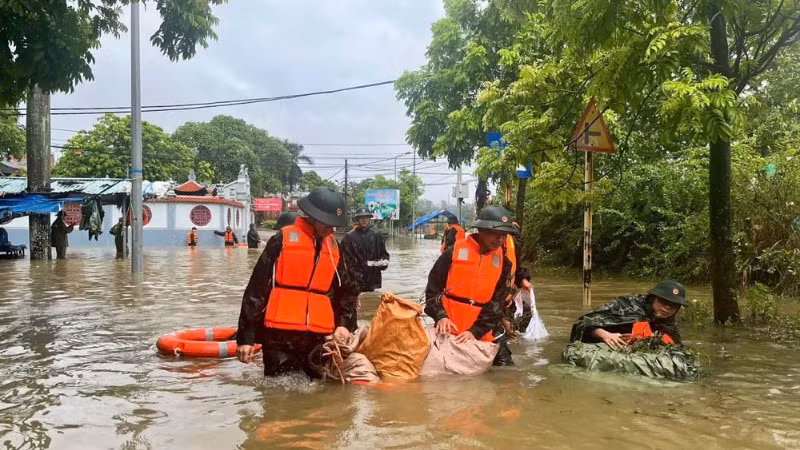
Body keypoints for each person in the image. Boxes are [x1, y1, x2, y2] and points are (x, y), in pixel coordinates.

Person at [235, 187, 358, 377]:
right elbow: (256, 289)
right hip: (279, 336)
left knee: (317, 390)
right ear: (313, 216)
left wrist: (344, 325)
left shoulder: (334, 248)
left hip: (317, 337)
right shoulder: (281, 239)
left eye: (334, 224)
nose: (332, 229)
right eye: (327, 222)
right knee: (277, 391)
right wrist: (246, 338)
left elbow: (347, 291)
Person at [425, 205, 515, 364]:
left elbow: (497, 303)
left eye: (503, 235)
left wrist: (475, 331)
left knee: (506, 370)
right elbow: (433, 289)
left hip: (485, 330)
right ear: (481, 230)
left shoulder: (504, 264)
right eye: (495, 234)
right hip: (449, 328)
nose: (499, 240)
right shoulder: (453, 252)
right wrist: (441, 316)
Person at [568, 280, 686, 349]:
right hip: (605, 344)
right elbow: (583, 323)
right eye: (663, 301)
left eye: (674, 305)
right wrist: (605, 335)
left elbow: (676, 344)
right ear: (652, 298)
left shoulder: (668, 321)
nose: (667, 308)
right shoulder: (626, 305)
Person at [340, 208, 390, 329]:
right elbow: (343, 260)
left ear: (369, 218)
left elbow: (384, 256)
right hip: (354, 280)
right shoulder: (349, 237)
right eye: (361, 217)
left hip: (372, 279)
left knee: (373, 311)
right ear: (357, 219)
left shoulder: (376, 235)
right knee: (354, 309)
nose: (364, 220)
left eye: (366, 217)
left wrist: (380, 263)